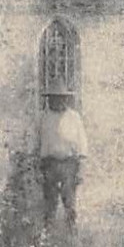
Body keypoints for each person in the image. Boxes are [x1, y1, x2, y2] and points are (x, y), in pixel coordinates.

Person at [39, 92, 88, 229]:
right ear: (49, 99)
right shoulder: (44, 117)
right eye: (53, 98)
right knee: (50, 205)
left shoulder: (73, 117)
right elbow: (36, 141)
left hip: (68, 164)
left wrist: (81, 169)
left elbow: (82, 143)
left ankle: (71, 234)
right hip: (49, 165)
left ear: (65, 99)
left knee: (69, 203)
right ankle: (48, 236)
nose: (56, 101)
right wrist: (37, 165)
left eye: (60, 98)